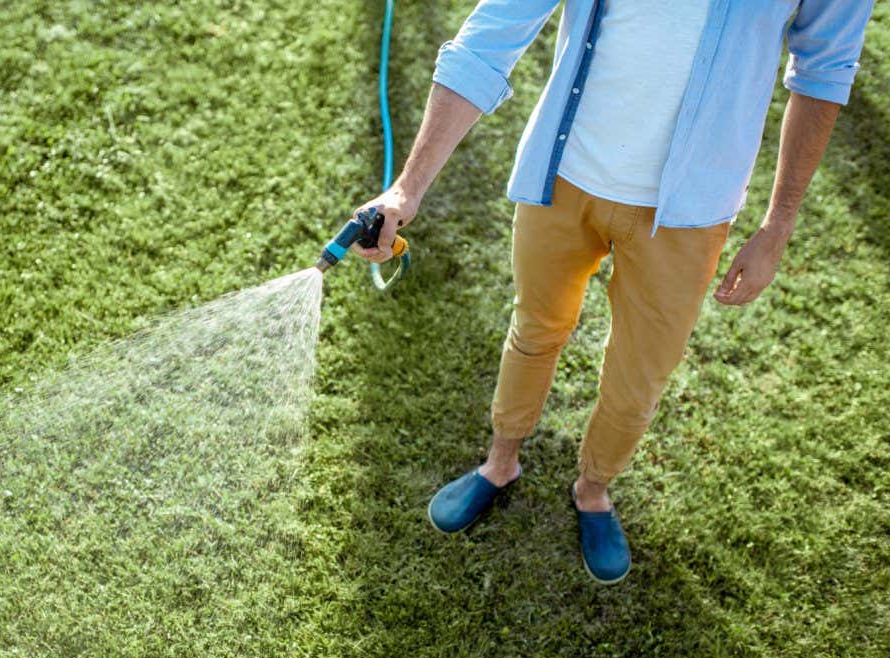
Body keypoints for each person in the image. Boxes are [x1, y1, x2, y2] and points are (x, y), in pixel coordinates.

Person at [351, 0, 875, 584]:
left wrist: (778, 224)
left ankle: (593, 489)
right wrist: (407, 188)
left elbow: (825, 68)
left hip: (689, 214)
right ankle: (501, 463)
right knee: (534, 329)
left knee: (639, 377)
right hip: (563, 177)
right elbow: (488, 38)